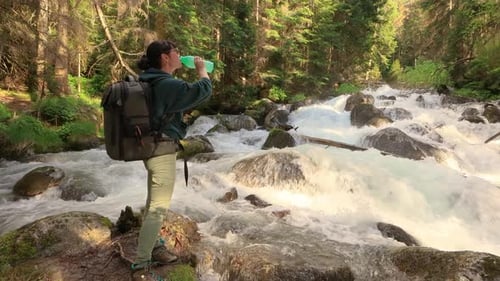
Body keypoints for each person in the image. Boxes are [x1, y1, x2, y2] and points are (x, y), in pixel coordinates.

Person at [131, 40, 212, 280]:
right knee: (157, 208)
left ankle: (155, 247)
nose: (180, 55)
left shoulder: (148, 78)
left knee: (152, 201)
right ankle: (141, 267)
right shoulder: (167, 84)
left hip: (148, 147)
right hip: (161, 150)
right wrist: (201, 70)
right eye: (176, 52)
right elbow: (203, 91)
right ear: (165, 58)